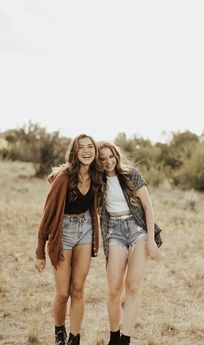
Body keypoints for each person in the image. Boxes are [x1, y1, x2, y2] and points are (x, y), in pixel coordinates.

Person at [35, 134, 102, 345]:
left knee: (78, 289)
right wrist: (39, 252)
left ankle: (75, 338)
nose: (86, 150)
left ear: (95, 151)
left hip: (86, 230)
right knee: (63, 292)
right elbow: (47, 215)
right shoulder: (64, 178)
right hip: (63, 232)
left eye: (90, 146)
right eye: (81, 147)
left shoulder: (97, 176)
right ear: (75, 152)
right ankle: (59, 332)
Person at [98, 141, 163, 345]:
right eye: (103, 159)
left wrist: (151, 239)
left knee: (133, 287)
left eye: (111, 156)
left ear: (116, 156)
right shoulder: (96, 181)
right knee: (114, 289)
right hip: (114, 232)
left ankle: (125, 340)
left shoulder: (131, 174)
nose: (108, 161)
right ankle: (114, 336)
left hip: (138, 231)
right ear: (98, 162)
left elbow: (148, 207)